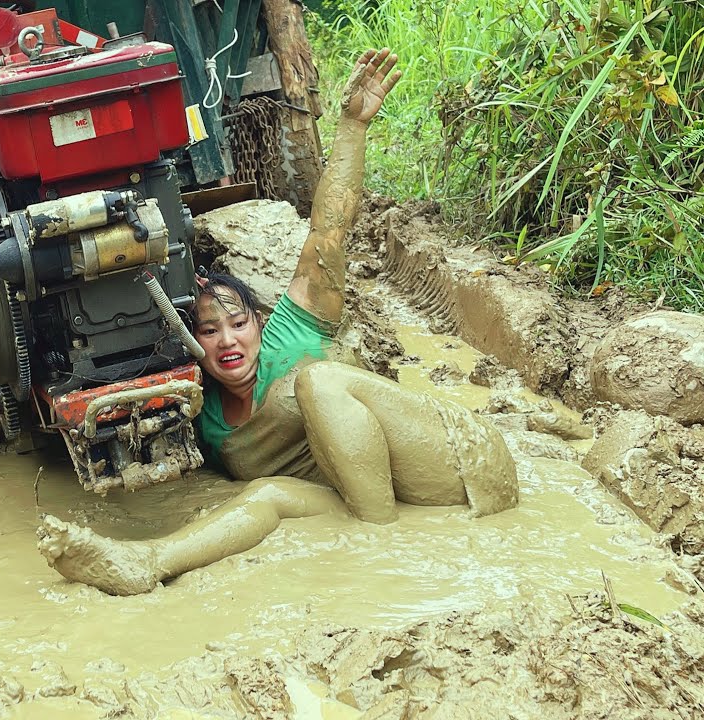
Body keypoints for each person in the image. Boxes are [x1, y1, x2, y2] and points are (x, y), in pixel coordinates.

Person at [36, 49, 520, 596]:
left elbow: (329, 229)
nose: (226, 340)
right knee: (264, 495)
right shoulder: (202, 419)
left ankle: (382, 547)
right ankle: (143, 564)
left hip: (456, 468)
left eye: (236, 323)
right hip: (358, 500)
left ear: (260, 322)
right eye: (207, 331)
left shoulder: (296, 329)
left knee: (318, 380)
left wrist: (353, 127)